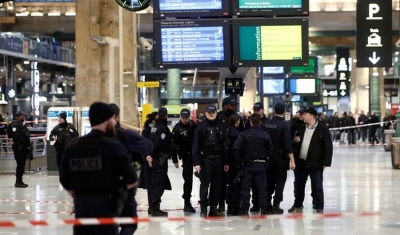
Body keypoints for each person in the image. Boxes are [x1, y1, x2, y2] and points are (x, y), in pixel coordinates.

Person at [60, 102, 138, 235]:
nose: (114, 123)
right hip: (106, 210)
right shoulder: (114, 147)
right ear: (106, 121)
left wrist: (80, 197)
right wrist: (119, 193)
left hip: (81, 209)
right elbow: (132, 180)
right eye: (112, 119)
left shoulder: (73, 146)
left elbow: (64, 180)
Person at [109, 103, 153, 235]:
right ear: (117, 116)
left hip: (102, 189)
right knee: (129, 223)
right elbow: (148, 146)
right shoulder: (125, 135)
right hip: (123, 188)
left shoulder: (94, 137)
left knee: (107, 224)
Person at [288, 107, 333, 214]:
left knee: (317, 185)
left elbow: (328, 147)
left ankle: (319, 206)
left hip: (316, 162)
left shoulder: (322, 129)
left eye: (306, 114)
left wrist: (326, 162)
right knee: (299, 185)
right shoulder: (302, 127)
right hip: (301, 162)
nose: (303, 116)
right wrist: (295, 140)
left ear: (312, 116)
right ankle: (298, 204)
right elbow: (294, 140)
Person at [233, 114, 274, 216]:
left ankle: (244, 209)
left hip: (248, 165)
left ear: (250, 122)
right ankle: (263, 209)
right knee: (262, 189)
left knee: (246, 188)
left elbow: (236, 147)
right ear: (260, 122)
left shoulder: (245, 134)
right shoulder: (265, 135)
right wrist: (267, 157)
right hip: (261, 164)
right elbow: (270, 149)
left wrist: (239, 161)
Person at [193, 105, 229, 217]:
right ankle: (204, 208)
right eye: (209, 112)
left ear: (216, 113)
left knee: (216, 186)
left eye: (213, 112)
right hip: (206, 159)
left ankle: (213, 207)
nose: (211, 114)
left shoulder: (221, 126)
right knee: (204, 185)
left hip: (218, 160)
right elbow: (196, 145)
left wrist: (226, 162)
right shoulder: (200, 127)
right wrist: (197, 163)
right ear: (206, 113)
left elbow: (225, 145)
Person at [264, 103, 296, 214]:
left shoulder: (266, 124)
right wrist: (292, 160)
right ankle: (275, 205)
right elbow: (288, 145)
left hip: (267, 157)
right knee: (280, 181)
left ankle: (266, 204)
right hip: (280, 157)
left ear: (274, 111)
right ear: (284, 111)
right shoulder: (284, 126)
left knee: (269, 181)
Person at [216, 97, 243, 212]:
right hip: (221, 154)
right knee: (221, 181)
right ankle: (221, 202)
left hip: (233, 155)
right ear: (225, 105)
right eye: (232, 105)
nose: (234, 107)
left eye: (235, 105)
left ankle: (233, 203)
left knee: (234, 181)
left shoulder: (238, 117)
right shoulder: (219, 116)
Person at [146, 107, 173, 217]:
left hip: (155, 158)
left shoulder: (154, 127)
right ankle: (154, 207)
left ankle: (153, 206)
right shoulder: (162, 128)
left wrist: (150, 156)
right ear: (166, 116)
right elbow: (158, 143)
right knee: (159, 184)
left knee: (156, 183)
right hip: (160, 159)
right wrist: (152, 155)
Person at [171, 108, 197, 212]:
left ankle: (204, 199)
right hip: (186, 156)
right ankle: (187, 202)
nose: (185, 120)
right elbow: (173, 145)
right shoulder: (177, 129)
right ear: (180, 117)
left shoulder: (193, 125)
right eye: (183, 118)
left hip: (195, 154)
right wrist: (175, 159)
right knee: (188, 179)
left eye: (186, 118)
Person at [139, 111, 158, 214]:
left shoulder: (159, 129)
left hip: (156, 160)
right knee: (151, 184)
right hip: (149, 161)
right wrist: (148, 158)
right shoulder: (147, 131)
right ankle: (152, 206)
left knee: (156, 184)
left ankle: (154, 205)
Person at [8, 111, 31, 188]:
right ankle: (18, 181)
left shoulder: (21, 125)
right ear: (18, 117)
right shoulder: (15, 125)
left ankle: (20, 181)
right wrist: (25, 143)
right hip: (19, 147)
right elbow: (16, 136)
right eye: (22, 116)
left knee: (22, 164)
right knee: (20, 164)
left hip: (23, 147)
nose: (23, 117)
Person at [225, 113, 242, 215]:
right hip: (235, 162)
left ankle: (229, 207)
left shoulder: (226, 131)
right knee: (237, 185)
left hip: (227, 162)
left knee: (230, 185)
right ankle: (235, 208)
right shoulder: (237, 134)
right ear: (238, 121)